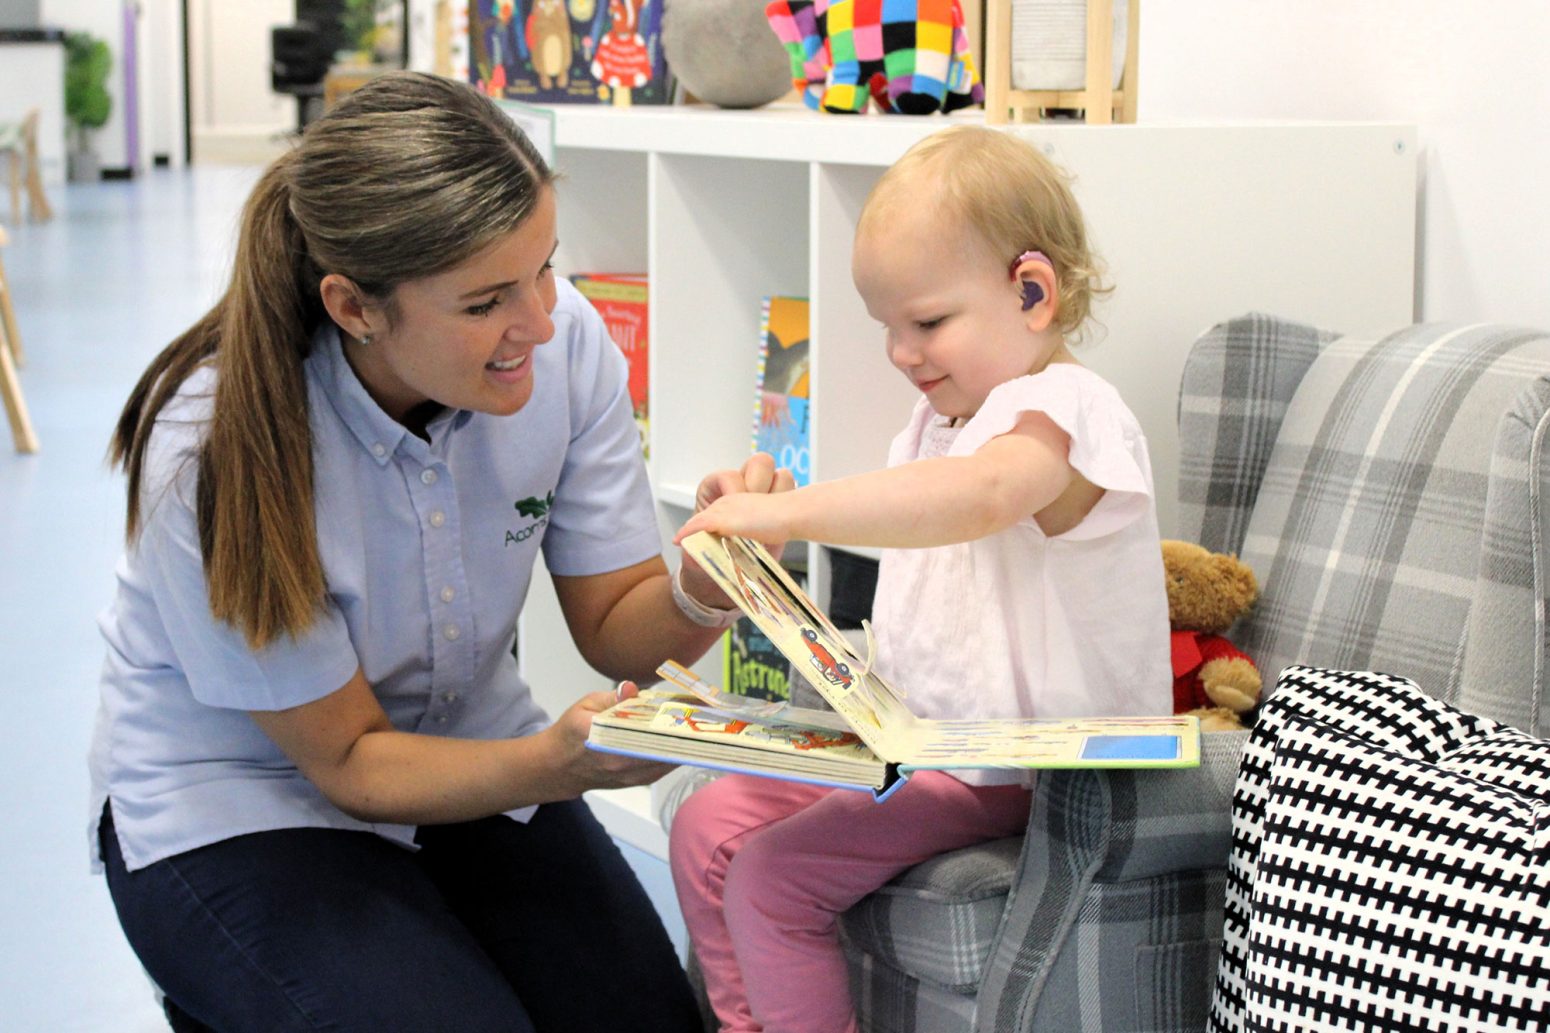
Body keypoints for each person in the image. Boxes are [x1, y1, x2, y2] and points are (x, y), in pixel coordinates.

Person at [90, 71, 785, 1033]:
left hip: (467, 752)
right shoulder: (216, 442)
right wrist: (555, 764)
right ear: (354, 306)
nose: (540, 322)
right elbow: (349, 762)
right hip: (245, 802)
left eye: (545, 268)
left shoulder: (564, 344)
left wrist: (711, 588)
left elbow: (621, 630)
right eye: (486, 301)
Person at [666, 125, 1172, 1033]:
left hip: (1022, 766)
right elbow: (919, 515)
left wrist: (790, 513)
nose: (903, 352)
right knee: (706, 825)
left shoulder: (1066, 414)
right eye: (888, 328)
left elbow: (977, 497)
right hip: (926, 746)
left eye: (927, 323)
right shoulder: (948, 419)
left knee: (776, 875)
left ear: (1031, 290)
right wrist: (761, 512)